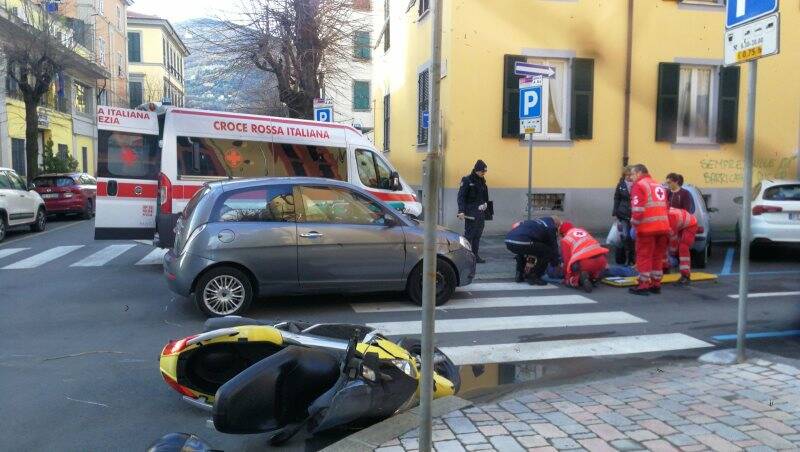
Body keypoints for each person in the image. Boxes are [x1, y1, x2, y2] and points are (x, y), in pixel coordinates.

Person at [629, 164, 671, 296]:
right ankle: (656, 283)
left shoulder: (639, 185)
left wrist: (634, 225)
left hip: (647, 228)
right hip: (663, 227)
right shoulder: (658, 185)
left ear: (639, 173)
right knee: (658, 256)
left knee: (644, 256)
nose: (631, 177)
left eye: (632, 174)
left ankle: (643, 284)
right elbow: (666, 207)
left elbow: (638, 210)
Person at [505, 216, 562, 285]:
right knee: (547, 251)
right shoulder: (551, 227)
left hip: (509, 240)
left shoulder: (536, 222)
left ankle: (519, 275)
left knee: (525, 250)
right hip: (522, 240)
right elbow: (553, 247)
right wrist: (555, 263)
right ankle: (534, 276)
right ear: (556, 224)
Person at [558, 222, 609, 293]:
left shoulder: (566, 239)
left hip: (585, 263)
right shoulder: (583, 231)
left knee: (569, 278)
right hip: (601, 259)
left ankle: (578, 279)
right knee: (593, 271)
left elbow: (567, 261)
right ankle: (594, 278)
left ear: (563, 233)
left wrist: (566, 276)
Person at [457, 160, 490, 263]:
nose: (483, 173)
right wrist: (461, 211)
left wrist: (485, 204)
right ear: (477, 170)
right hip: (470, 212)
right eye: (482, 171)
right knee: (469, 235)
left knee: (478, 235)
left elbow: (485, 196)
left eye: (485, 172)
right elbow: (461, 197)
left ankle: (475, 256)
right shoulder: (467, 180)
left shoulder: (482, 181)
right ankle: (466, 257)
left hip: (480, 213)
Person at [666, 207, 698, 285]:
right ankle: (665, 268)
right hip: (682, 224)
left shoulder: (670, 217)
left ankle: (686, 275)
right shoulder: (664, 216)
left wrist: (673, 254)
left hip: (691, 224)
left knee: (683, 247)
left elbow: (673, 238)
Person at [612, 166, 636, 265]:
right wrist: (615, 211)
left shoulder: (637, 184)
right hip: (623, 214)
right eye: (627, 175)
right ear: (624, 175)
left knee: (633, 236)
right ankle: (626, 258)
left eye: (631, 175)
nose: (629, 177)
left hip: (634, 214)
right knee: (625, 236)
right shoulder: (621, 185)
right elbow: (616, 198)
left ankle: (632, 258)